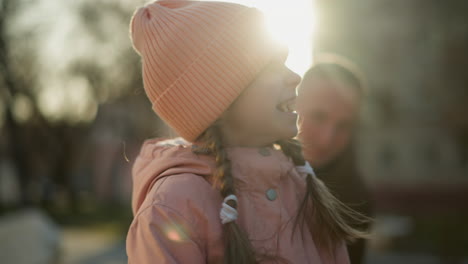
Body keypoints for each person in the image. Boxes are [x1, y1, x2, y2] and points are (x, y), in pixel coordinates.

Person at [126, 1, 367, 263]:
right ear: (218, 96)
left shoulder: (303, 188)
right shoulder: (174, 206)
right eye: (272, 67)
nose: (295, 77)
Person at [296, 55, 374, 264]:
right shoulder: (243, 171)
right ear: (293, 106)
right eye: (318, 116)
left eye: (343, 126)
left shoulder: (355, 200)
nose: (326, 139)